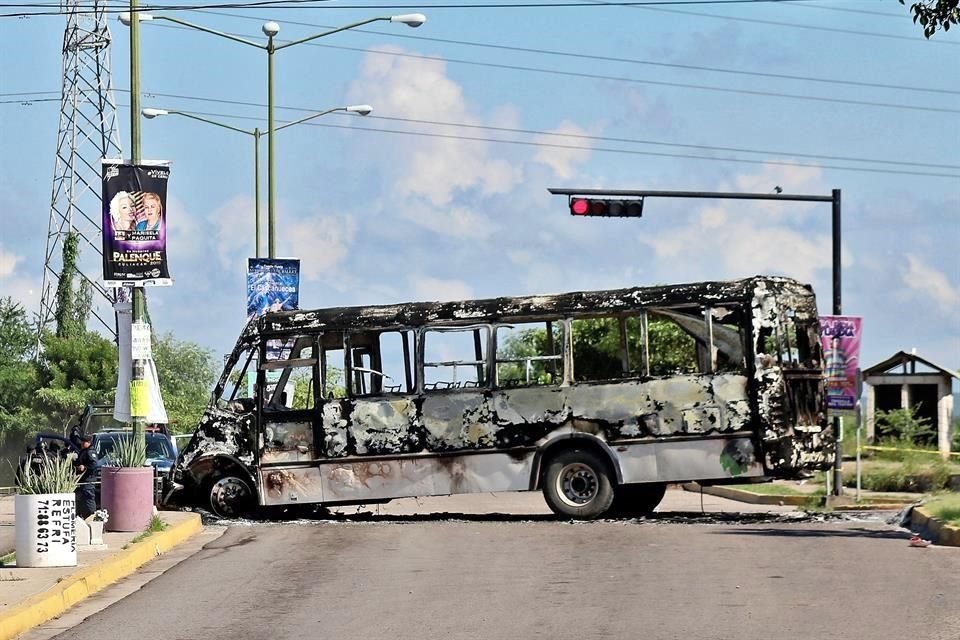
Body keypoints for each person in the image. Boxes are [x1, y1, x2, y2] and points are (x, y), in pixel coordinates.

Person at [74, 433, 99, 519]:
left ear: (88, 442)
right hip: (82, 480)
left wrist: (85, 467)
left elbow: (94, 465)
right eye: (81, 441)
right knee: (81, 500)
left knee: (88, 499)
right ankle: (83, 516)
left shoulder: (90, 452)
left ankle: (92, 517)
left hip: (88, 480)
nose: (81, 443)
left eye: (83, 442)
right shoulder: (83, 451)